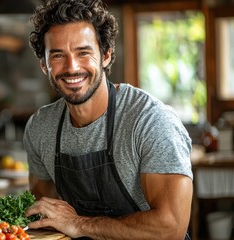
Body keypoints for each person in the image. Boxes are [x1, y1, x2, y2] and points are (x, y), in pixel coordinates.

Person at [22, 0, 193, 239]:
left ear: (106, 55)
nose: (72, 68)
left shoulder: (150, 121)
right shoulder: (41, 127)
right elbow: (42, 211)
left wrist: (79, 225)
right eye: (58, 55)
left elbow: (170, 227)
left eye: (84, 53)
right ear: (44, 65)